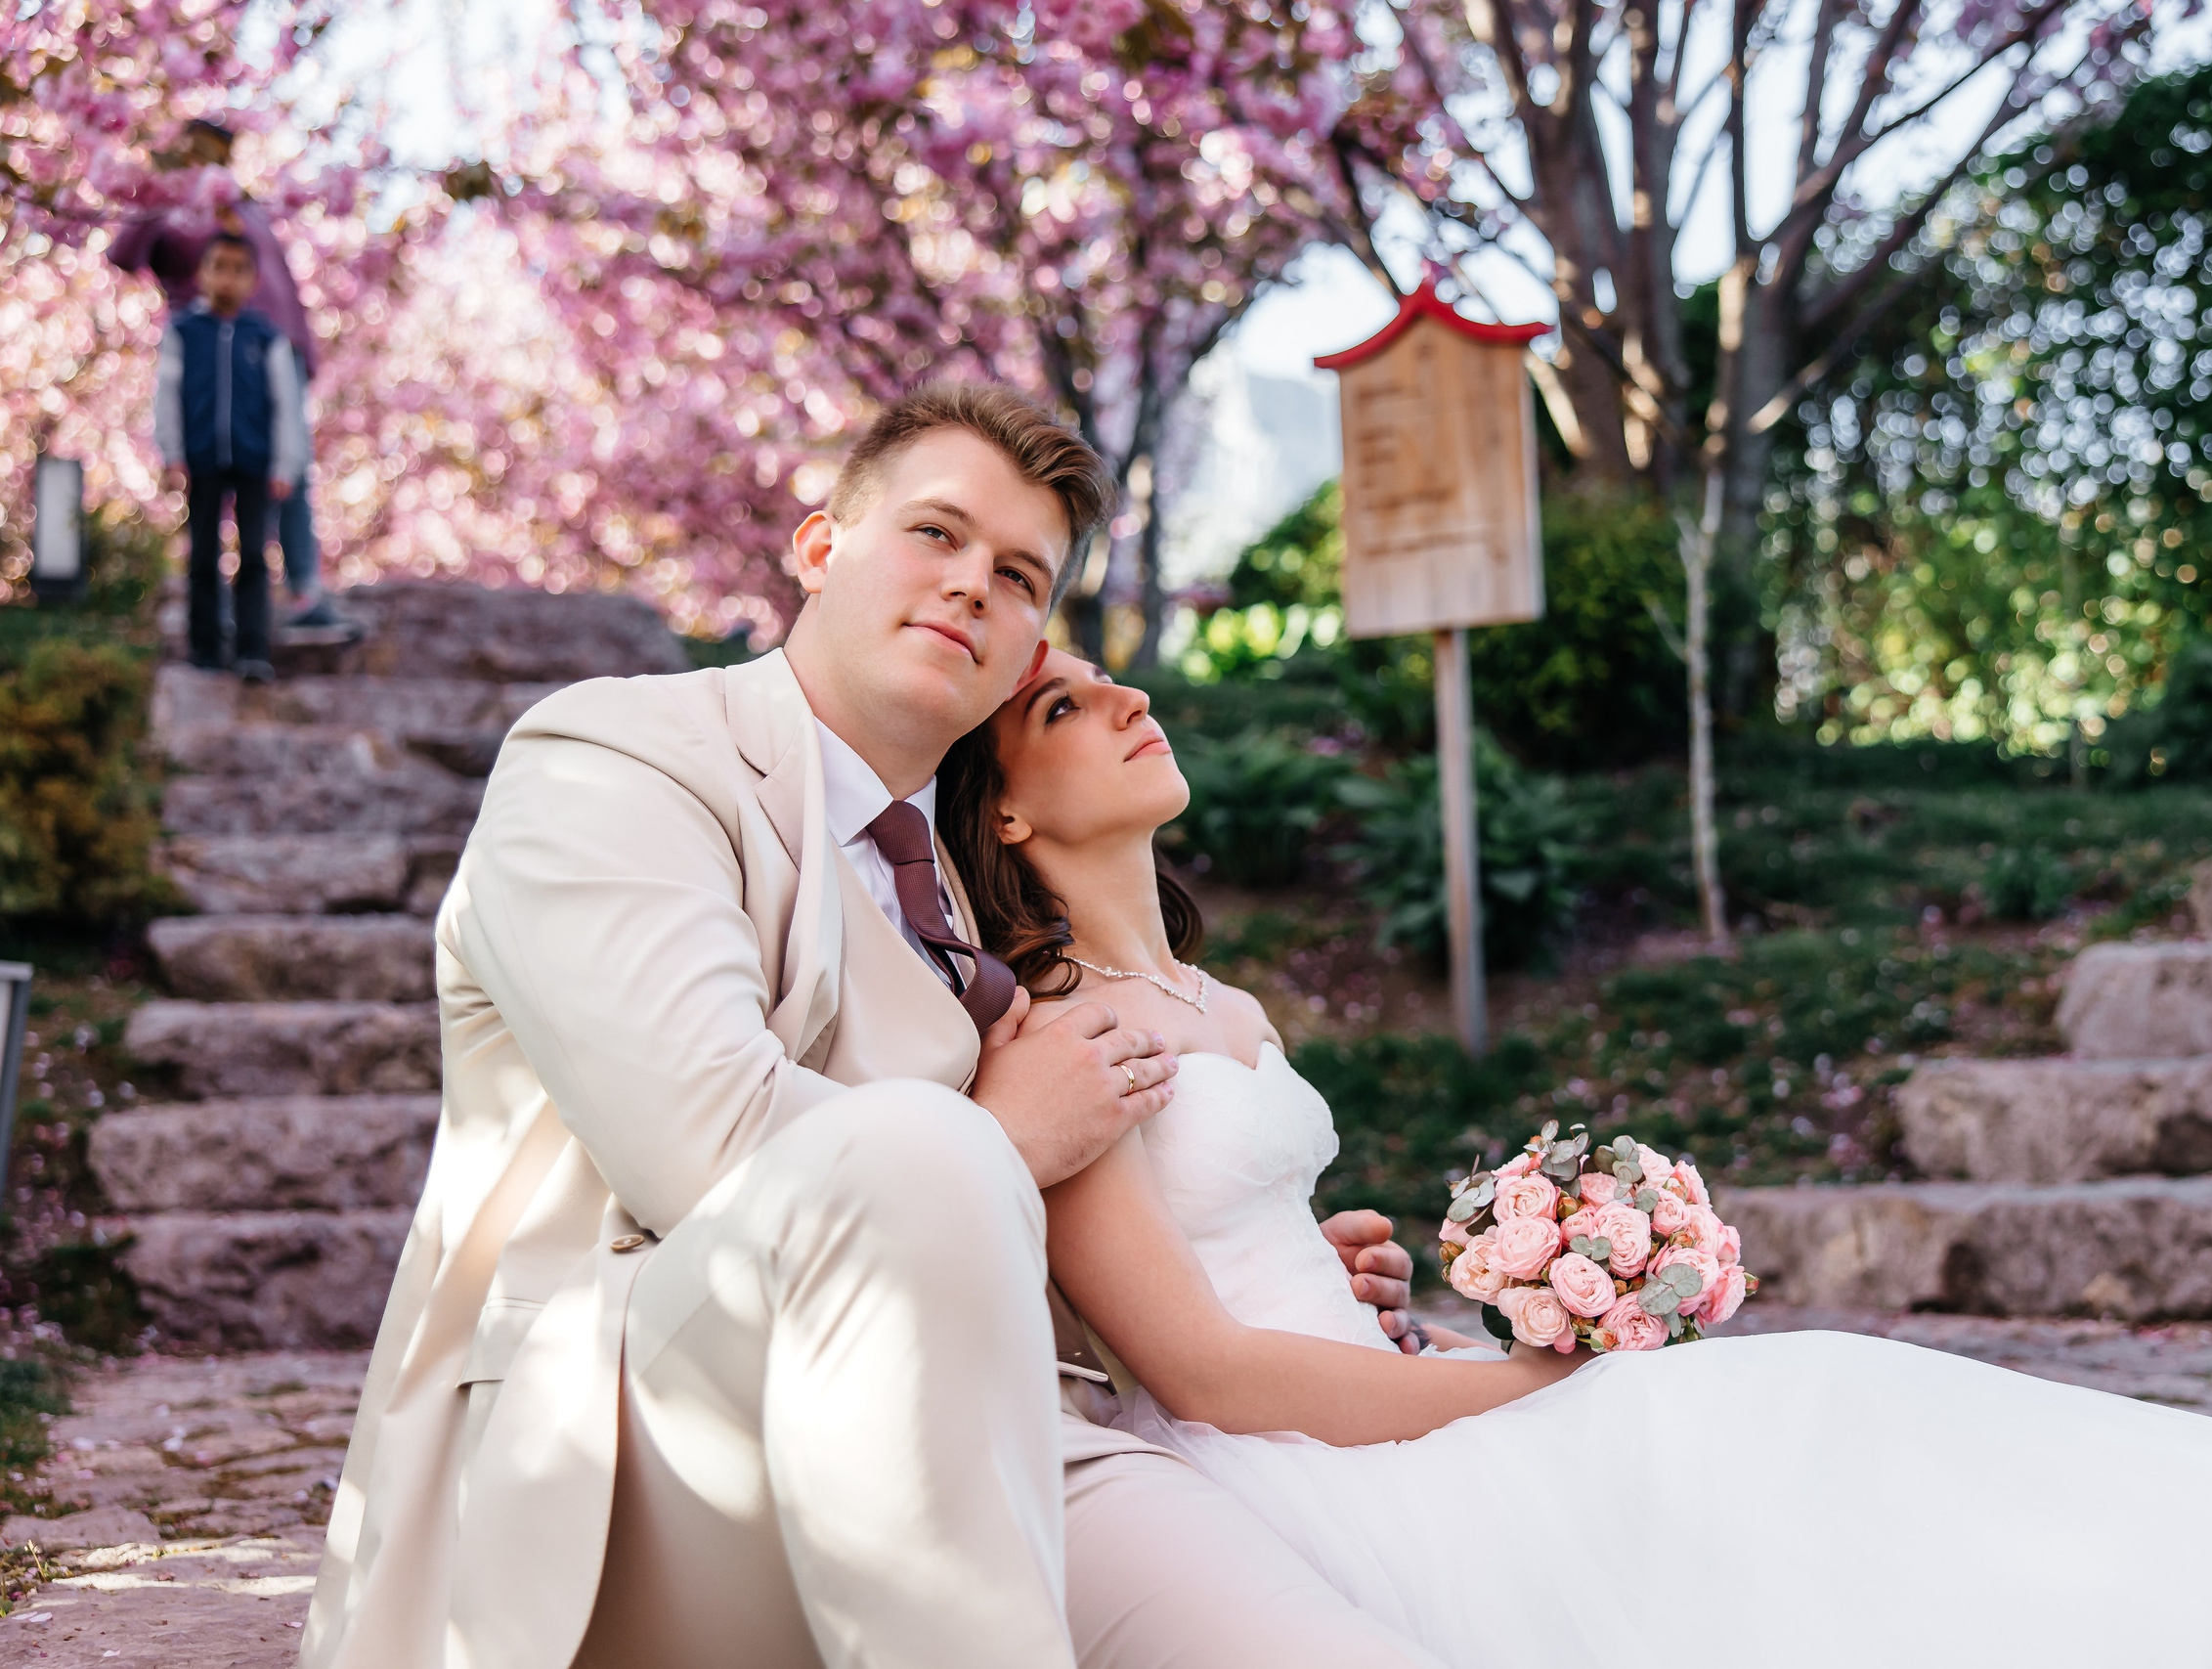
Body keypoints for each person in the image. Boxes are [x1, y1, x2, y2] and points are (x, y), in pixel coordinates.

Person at [936, 645, 2212, 1669]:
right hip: (1302, 1467)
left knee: (1833, 1421)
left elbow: (1253, 1247)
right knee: (1801, 1406)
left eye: (1106, 674)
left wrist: (1384, 1285)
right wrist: (1535, 1376)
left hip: (1381, 1383)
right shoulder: (1059, 1026)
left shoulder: (1223, 1000)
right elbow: (1202, 1363)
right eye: (1062, 708)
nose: (1128, 694)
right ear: (1001, 811)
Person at [301, 382, 1435, 1669]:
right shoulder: (616, 755)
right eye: (936, 534)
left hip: (1028, 1419)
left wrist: (1236, 1270)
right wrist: (998, 1133)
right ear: (821, 545)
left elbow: (1011, 1232)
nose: (972, 586)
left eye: (1018, 576)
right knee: (918, 1145)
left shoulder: (967, 897)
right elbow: (711, 1147)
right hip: (643, 1440)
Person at [111, 117, 346, 631]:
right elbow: (124, 255)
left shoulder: (249, 210)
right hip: (210, 363)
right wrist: (159, 189)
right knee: (212, 482)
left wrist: (302, 346)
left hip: (273, 358)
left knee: (288, 475)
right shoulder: (175, 212)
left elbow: (280, 280)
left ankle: (305, 594)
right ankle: (211, 603)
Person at [155, 233, 305, 681]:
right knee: (202, 554)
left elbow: (286, 404)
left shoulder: (265, 337)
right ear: (201, 273)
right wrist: (172, 453)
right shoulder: (184, 332)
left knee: (255, 556)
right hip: (202, 457)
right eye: (218, 266)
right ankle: (203, 648)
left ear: (254, 279)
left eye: (238, 269)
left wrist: (285, 462)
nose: (227, 277)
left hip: (255, 461)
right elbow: (167, 395)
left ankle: (253, 648)